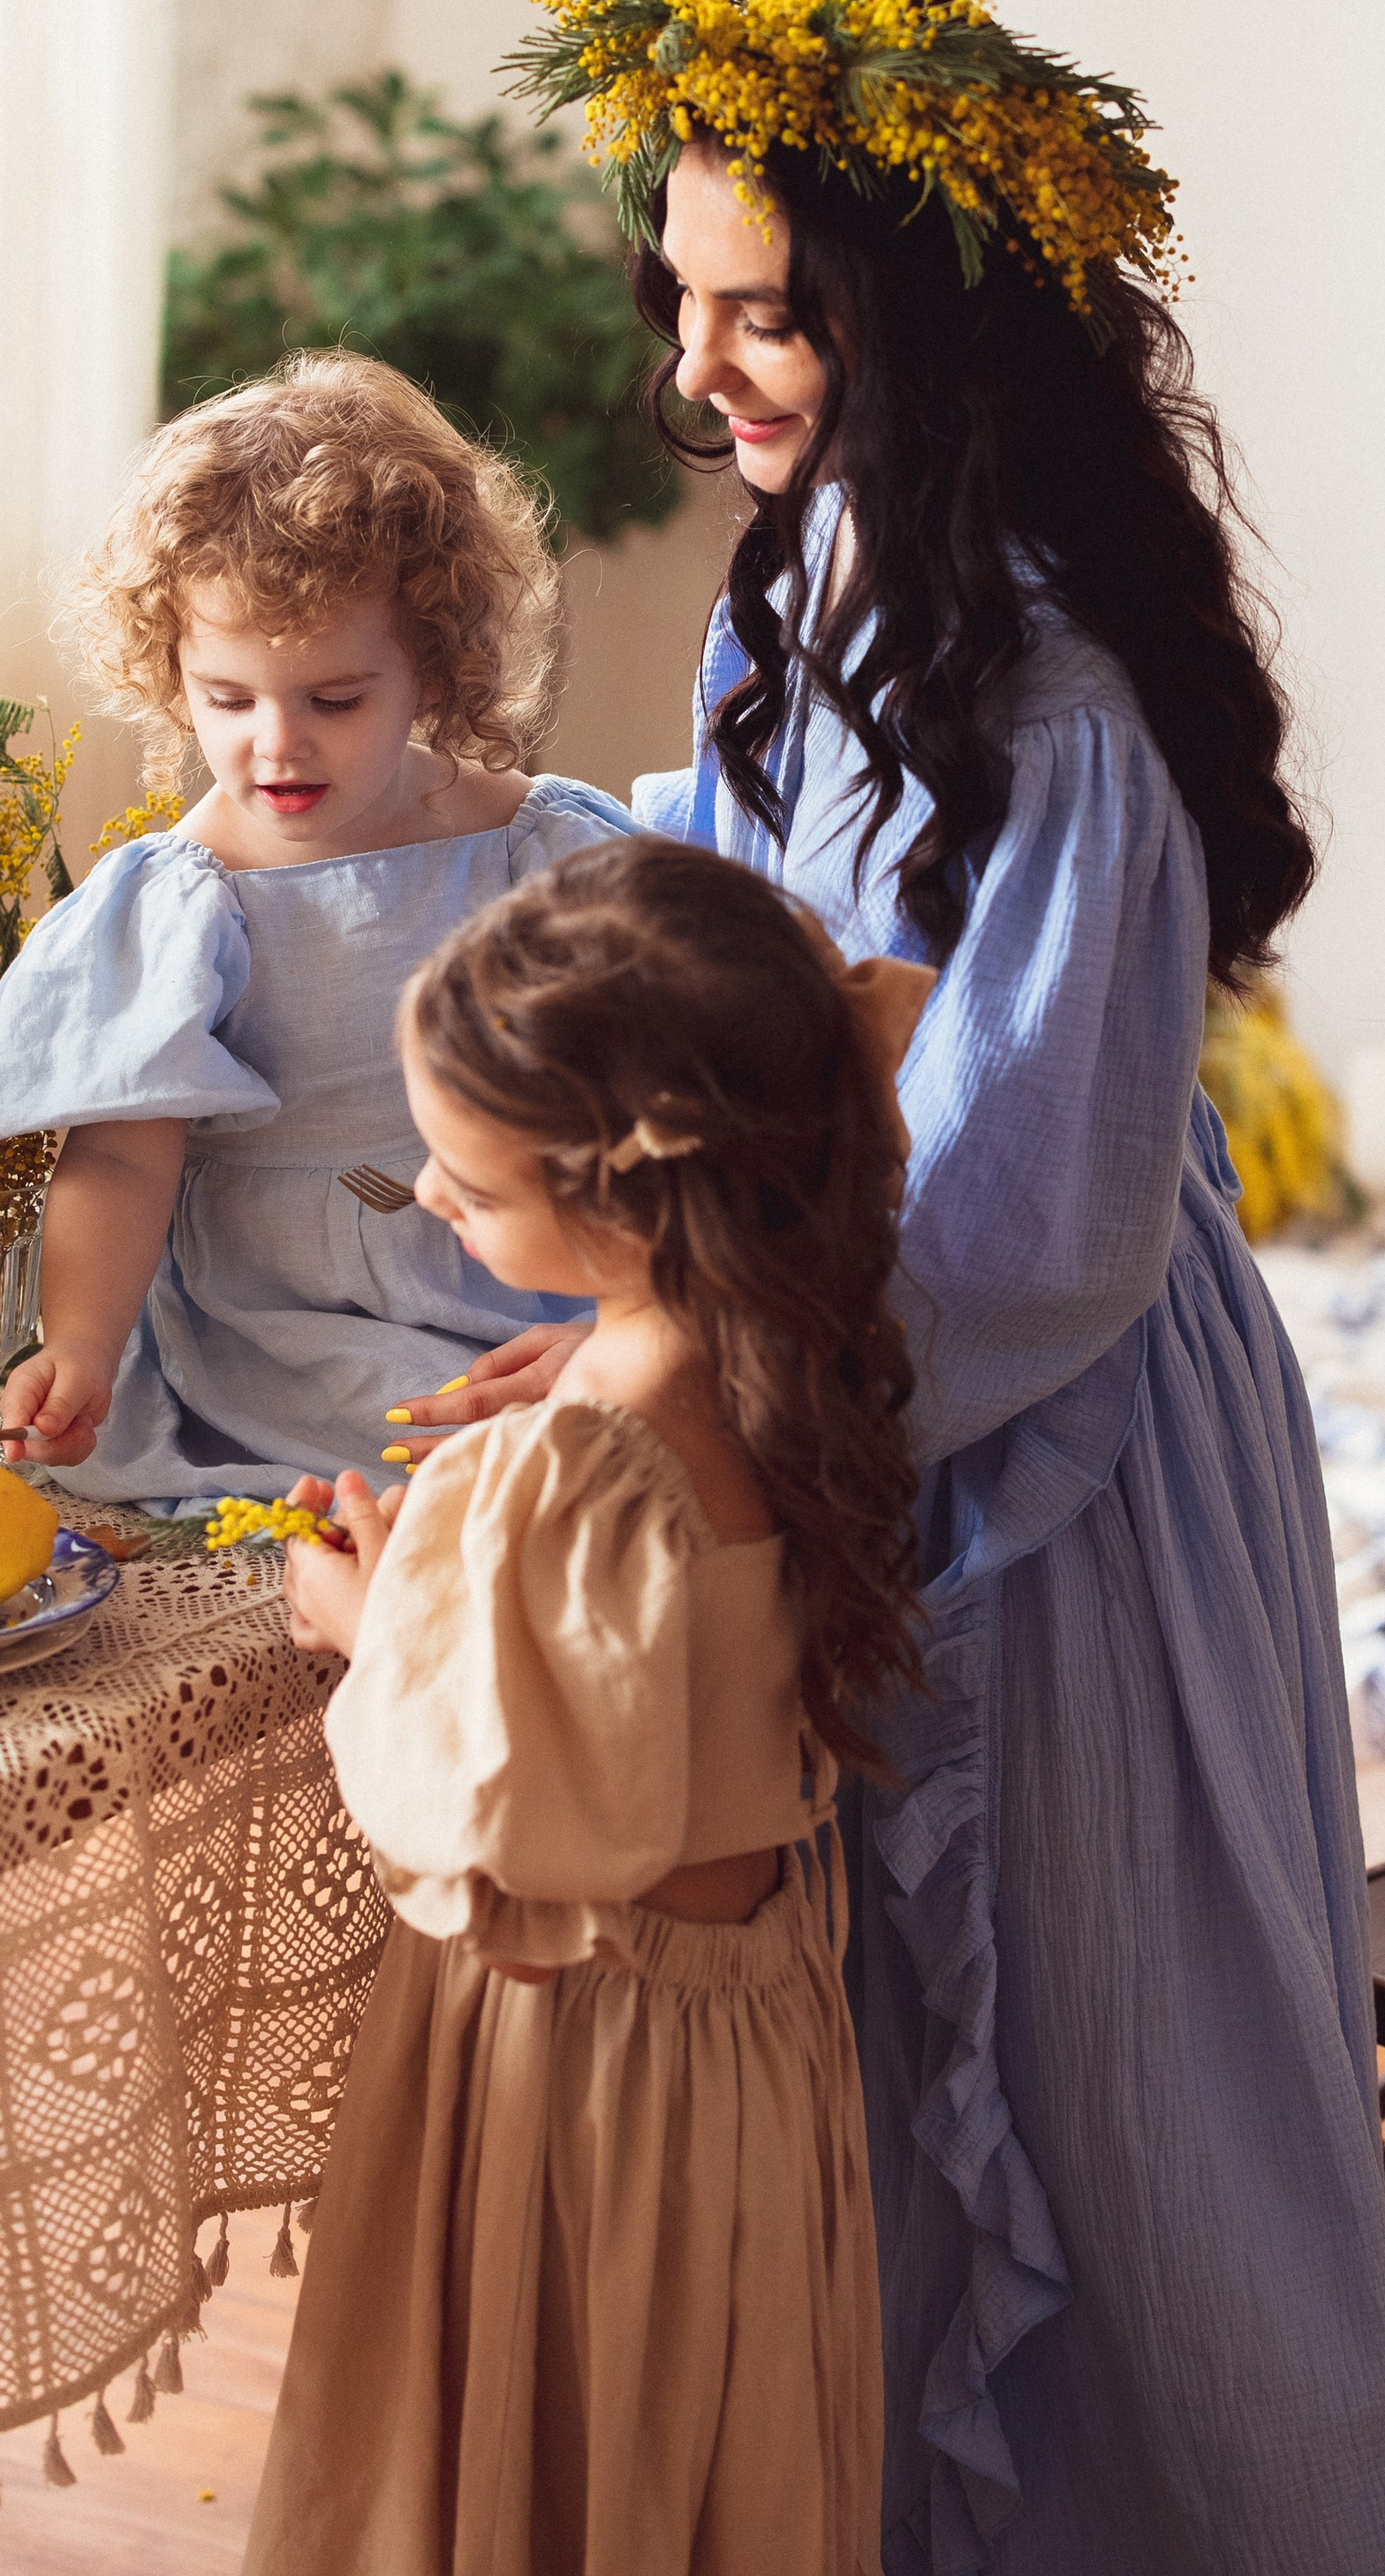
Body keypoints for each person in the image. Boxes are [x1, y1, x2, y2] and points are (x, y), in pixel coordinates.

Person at [394, 0, 1385, 2574]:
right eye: (693, 300)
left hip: (1057, 1453)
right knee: (911, 2093)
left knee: (1134, 2095)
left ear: (931, 329)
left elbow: (1029, 1221)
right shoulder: (805, 588)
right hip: (865, 1382)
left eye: (774, 312)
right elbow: (768, 962)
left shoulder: (1062, 710)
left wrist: (708, 1382)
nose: (704, 370)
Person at [246, 836, 933, 2576]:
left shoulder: (581, 1450)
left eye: (465, 1183)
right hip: (754, 2034)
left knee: (572, 2451)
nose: (433, 1193)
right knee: (705, 2449)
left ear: (623, 1194)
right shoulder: (782, 1332)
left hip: (592, 2058)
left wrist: (363, 1615)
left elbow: (503, 1815)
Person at [0, 349, 635, 1502]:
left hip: (530, 1299)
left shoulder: (544, 852)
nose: (277, 745)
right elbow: (124, 1152)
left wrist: (631, 1324)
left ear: (430, 664)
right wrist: (76, 1343)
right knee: (457, 1487)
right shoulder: (187, 899)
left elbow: (660, 1116)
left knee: (596, 1466)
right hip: (286, 1339)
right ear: (171, 670)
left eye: (335, 699)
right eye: (228, 699)